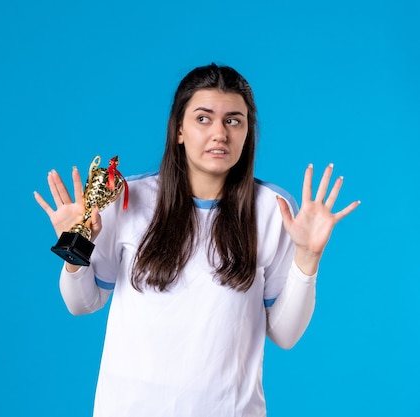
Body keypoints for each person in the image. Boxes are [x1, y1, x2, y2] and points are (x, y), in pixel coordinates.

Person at [33, 63, 360, 417]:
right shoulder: (129, 199)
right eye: (203, 118)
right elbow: (81, 303)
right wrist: (74, 245)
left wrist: (308, 256)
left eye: (233, 120)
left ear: (248, 131)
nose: (219, 133)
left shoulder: (272, 210)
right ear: (179, 130)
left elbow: (285, 334)